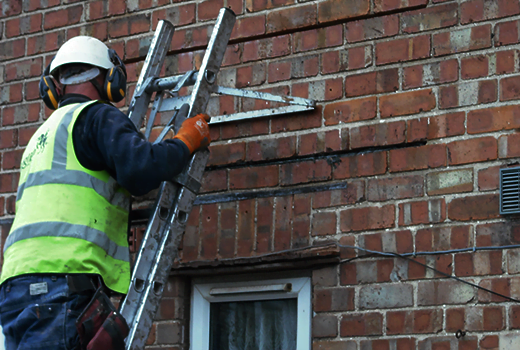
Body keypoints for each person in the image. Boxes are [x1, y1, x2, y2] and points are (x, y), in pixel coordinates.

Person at [0, 36, 211, 350]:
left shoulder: (41, 137)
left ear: (54, 87)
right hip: (62, 286)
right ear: (109, 80)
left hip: (14, 290)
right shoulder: (97, 117)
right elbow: (141, 170)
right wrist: (185, 142)